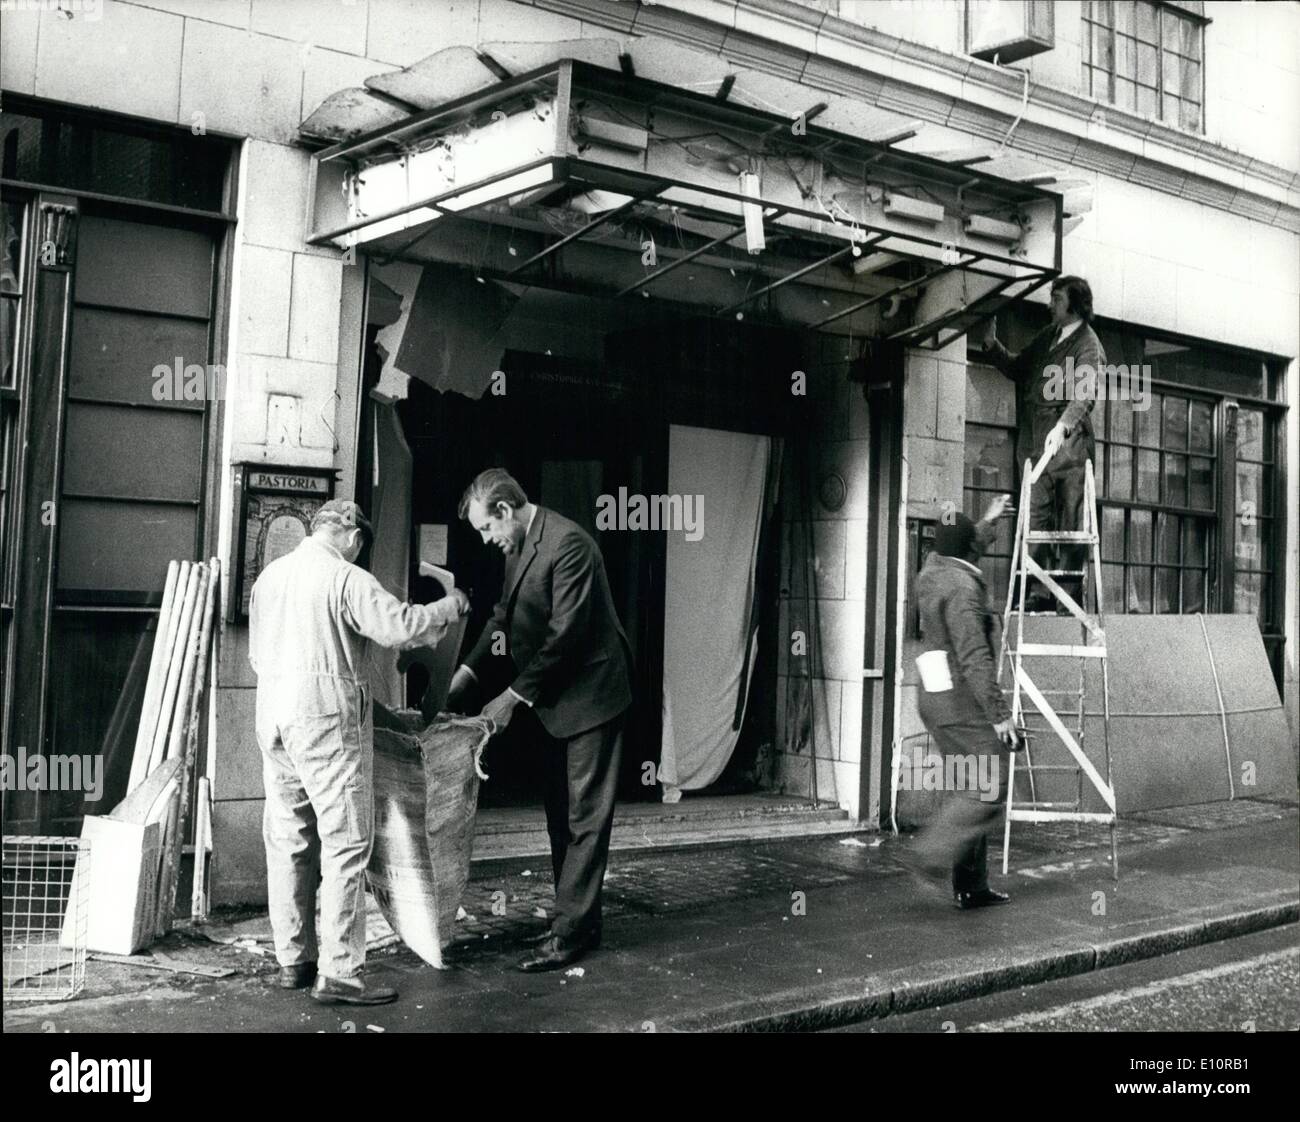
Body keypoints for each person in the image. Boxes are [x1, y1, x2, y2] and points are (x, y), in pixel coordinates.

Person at [249, 499, 469, 1005]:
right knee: (346, 842)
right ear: (352, 538)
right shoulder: (346, 578)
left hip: (273, 714)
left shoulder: (270, 578)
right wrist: (450, 605)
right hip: (325, 716)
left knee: (289, 839)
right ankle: (341, 973)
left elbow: (258, 654)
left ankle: (293, 960)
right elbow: (401, 627)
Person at [446, 469, 633, 973]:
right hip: (557, 700)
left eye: (487, 529)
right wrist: (465, 671)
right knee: (560, 814)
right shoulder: (520, 547)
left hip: (592, 695)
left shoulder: (569, 545)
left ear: (505, 510)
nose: (487, 541)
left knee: (584, 820)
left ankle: (570, 934)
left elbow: (565, 638)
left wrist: (510, 698)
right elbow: (503, 616)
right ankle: (578, 919)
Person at [909, 498, 1021, 909]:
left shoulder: (934, 570)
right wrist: (1001, 715)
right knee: (990, 784)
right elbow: (975, 657)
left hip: (936, 697)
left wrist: (987, 522)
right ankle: (929, 855)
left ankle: (971, 886)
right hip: (962, 699)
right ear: (967, 548)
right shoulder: (961, 591)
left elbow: (964, 545)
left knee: (971, 783)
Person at [982, 275, 1104, 610]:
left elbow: (1085, 393)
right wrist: (992, 345)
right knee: (1033, 520)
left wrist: (1063, 426)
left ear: (1075, 303)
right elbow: (1020, 367)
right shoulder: (1048, 336)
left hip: (1070, 448)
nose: (1050, 304)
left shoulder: (1088, 344)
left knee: (1070, 524)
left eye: (1057, 298)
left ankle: (1067, 599)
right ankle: (1035, 594)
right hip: (1036, 443)